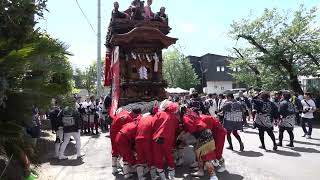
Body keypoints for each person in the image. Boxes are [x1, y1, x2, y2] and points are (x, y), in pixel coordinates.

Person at [180, 107, 219, 180]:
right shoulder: (192, 114)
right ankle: (200, 171)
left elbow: (192, 129)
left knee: (207, 157)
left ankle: (213, 176)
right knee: (200, 155)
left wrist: (184, 136)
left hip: (203, 136)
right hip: (205, 134)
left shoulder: (186, 117)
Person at [152, 100, 179, 180]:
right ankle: (172, 177)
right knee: (169, 156)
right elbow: (176, 127)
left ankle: (163, 177)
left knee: (158, 157)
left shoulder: (159, 114)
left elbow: (153, 125)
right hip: (169, 139)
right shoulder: (174, 117)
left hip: (159, 138)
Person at [110, 107, 142, 174]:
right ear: (134, 114)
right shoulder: (128, 119)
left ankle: (114, 167)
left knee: (115, 149)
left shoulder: (123, 112)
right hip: (118, 134)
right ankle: (122, 169)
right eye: (136, 116)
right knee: (123, 150)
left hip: (113, 131)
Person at [135, 111, 157, 180]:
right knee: (150, 158)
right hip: (147, 140)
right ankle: (153, 176)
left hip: (138, 139)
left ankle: (140, 176)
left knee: (140, 158)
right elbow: (155, 130)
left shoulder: (141, 119)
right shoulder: (152, 119)